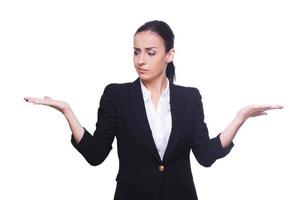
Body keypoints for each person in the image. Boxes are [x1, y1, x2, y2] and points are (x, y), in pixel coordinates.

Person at [24, 20, 283, 200]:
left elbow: (205, 155)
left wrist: (240, 118)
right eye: (136, 52)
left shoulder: (189, 98)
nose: (140, 60)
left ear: (169, 55)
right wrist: (67, 112)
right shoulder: (116, 94)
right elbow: (96, 155)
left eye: (150, 52)